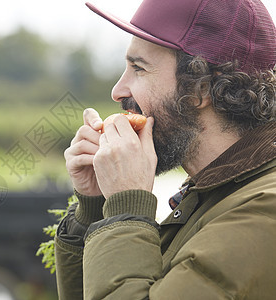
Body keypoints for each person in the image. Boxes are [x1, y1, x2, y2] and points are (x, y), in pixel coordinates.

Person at [55, 0, 276, 298]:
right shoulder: (211, 191)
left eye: (138, 68)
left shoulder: (263, 211)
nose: (118, 91)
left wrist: (126, 205)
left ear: (199, 89)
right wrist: (95, 208)